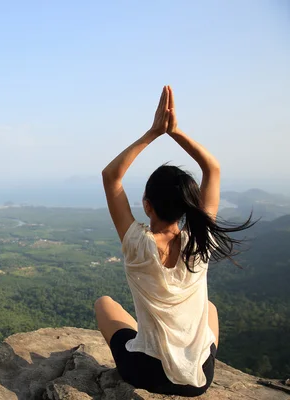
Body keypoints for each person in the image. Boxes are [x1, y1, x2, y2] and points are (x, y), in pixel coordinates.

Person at [96, 85, 254, 396]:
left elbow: (111, 176)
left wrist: (153, 132)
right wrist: (176, 132)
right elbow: (213, 168)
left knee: (104, 304)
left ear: (147, 205)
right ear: (187, 207)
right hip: (199, 378)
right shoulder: (201, 241)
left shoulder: (137, 244)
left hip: (146, 373)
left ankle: (149, 342)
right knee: (210, 308)